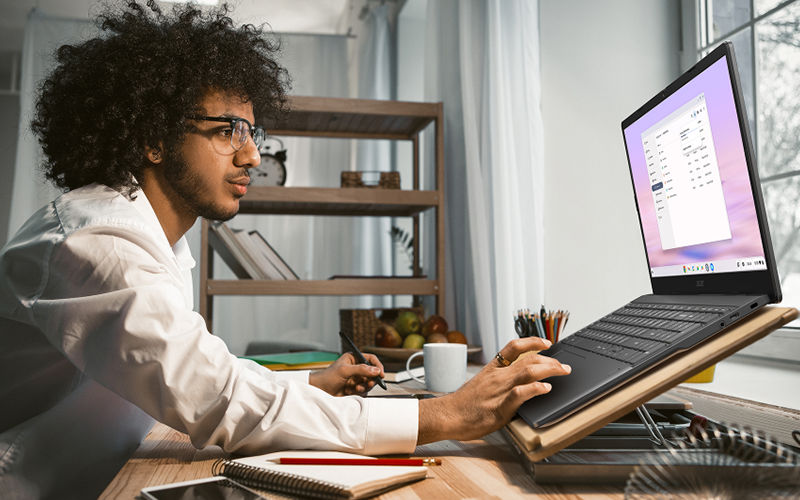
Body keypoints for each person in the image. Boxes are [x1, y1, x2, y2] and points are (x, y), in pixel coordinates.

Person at [0, 1, 571, 498]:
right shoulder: (96, 239)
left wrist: (311, 384)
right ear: (153, 138)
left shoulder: (153, 238)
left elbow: (200, 371)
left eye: (253, 133)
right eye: (228, 130)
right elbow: (217, 397)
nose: (251, 156)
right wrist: (443, 414)